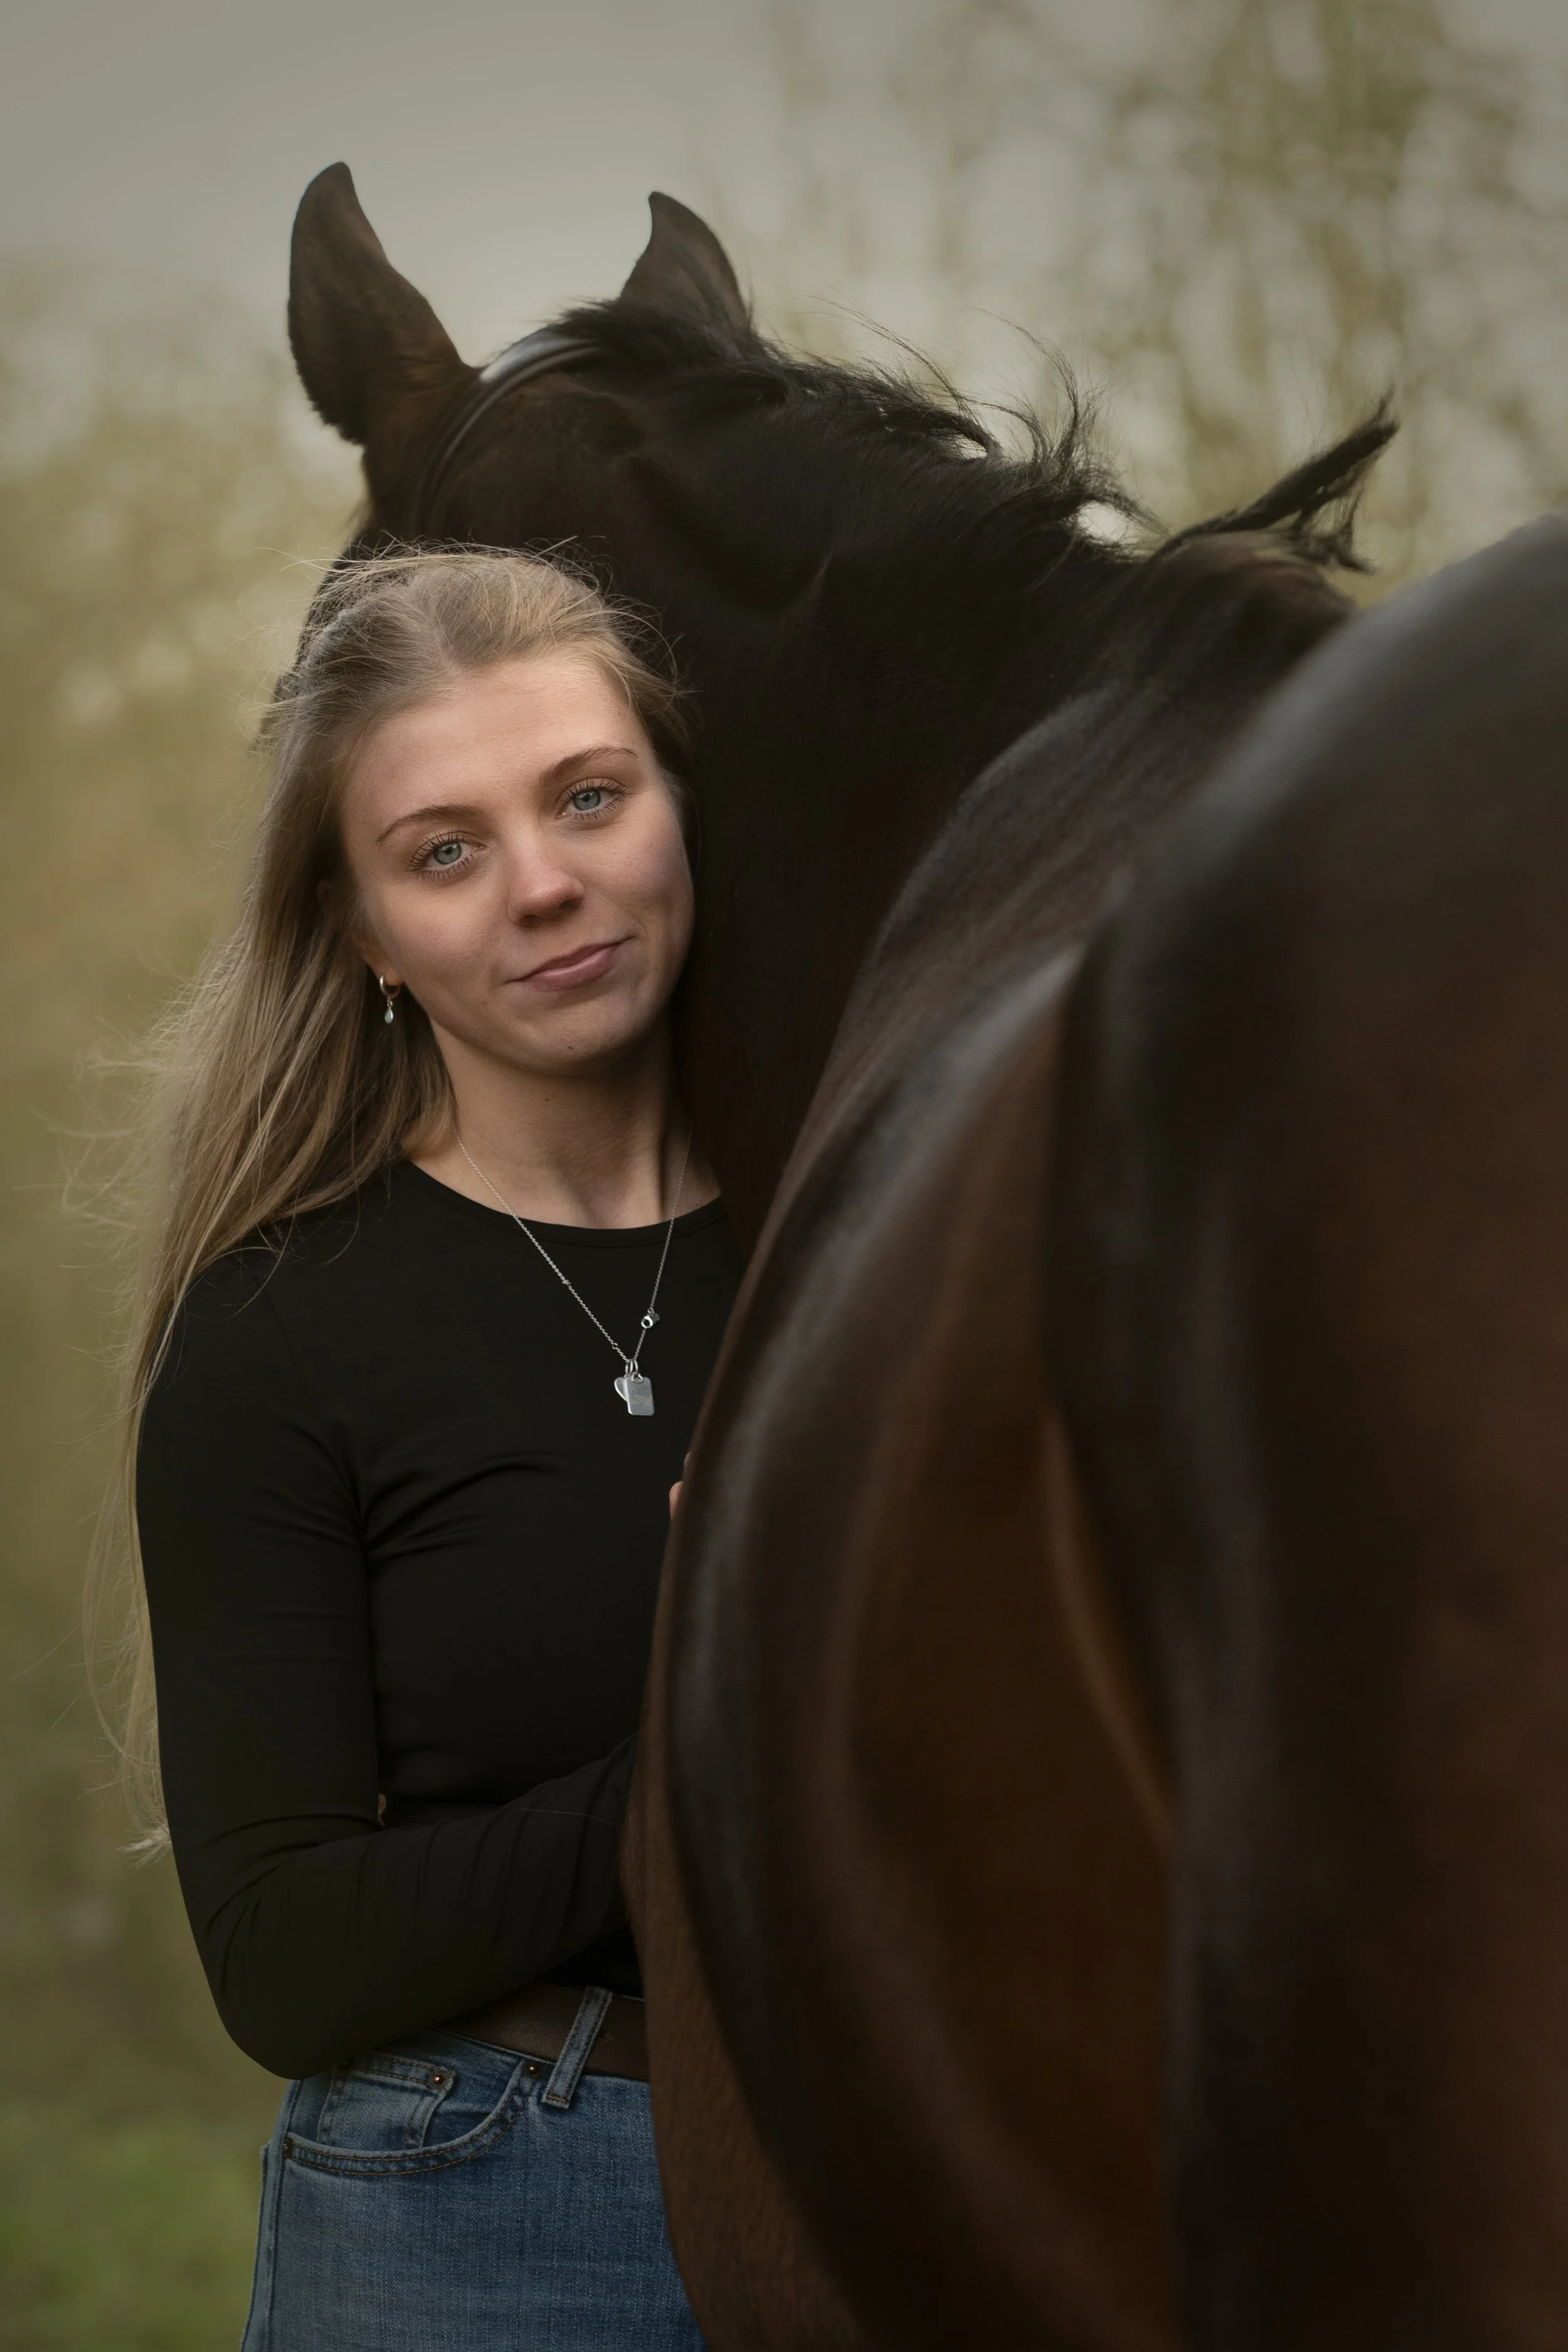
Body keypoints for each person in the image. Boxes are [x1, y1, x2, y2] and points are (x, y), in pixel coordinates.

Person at [127, 551, 741, 2349]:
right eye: (445, 847)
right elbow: (287, 1953)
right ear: (363, 933)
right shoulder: (273, 1335)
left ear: (679, 806)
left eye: (587, 796)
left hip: (897, 2174)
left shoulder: (868, 1244)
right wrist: (706, 1756)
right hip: (483, 2207)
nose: (545, 882)